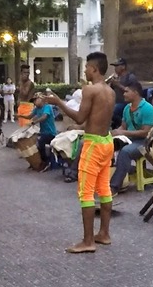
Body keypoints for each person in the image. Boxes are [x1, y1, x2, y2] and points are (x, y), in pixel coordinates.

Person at [46, 52, 115, 254]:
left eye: (86, 67)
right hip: (107, 142)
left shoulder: (90, 90)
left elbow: (79, 118)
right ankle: (104, 233)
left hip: (93, 145)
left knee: (86, 192)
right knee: (104, 188)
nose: (84, 70)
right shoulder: (110, 91)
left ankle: (88, 241)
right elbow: (96, 118)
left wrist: (58, 102)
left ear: (94, 69)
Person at [109, 82, 153, 195]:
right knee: (105, 144)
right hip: (129, 139)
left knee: (125, 152)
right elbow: (123, 126)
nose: (124, 94)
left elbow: (146, 133)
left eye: (126, 91)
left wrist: (123, 132)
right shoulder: (127, 108)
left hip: (144, 142)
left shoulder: (148, 108)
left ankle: (114, 187)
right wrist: (114, 133)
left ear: (135, 93)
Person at [17, 93, 58, 173]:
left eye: (35, 100)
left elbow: (44, 116)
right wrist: (20, 116)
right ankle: (36, 162)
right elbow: (30, 116)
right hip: (43, 132)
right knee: (34, 143)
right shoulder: (37, 109)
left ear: (41, 99)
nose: (34, 103)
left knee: (40, 144)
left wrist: (34, 122)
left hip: (50, 133)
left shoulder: (47, 107)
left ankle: (46, 162)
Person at [108, 58, 138, 129]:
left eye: (117, 66)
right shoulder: (117, 77)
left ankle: (122, 125)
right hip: (116, 102)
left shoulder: (130, 77)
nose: (115, 68)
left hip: (126, 103)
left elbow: (133, 92)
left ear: (123, 67)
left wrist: (118, 85)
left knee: (112, 111)